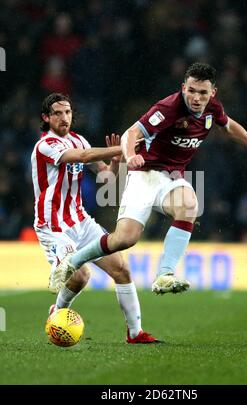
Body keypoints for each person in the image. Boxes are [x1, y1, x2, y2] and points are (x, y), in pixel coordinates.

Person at [53, 62, 247, 295]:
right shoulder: (168, 108)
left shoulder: (213, 108)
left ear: (212, 93)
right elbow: (130, 133)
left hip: (171, 177)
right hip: (144, 174)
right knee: (125, 239)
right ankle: (74, 261)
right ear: (183, 87)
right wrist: (131, 156)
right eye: (191, 91)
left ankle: (165, 274)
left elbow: (229, 127)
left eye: (202, 93)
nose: (196, 98)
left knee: (189, 204)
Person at [31, 92, 160, 343]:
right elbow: (83, 158)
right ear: (46, 118)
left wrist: (114, 163)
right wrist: (126, 146)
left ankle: (135, 333)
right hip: (54, 226)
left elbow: (105, 179)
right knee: (80, 276)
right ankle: (58, 311)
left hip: (80, 220)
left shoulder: (79, 140)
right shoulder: (46, 144)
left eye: (67, 112)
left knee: (121, 269)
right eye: (57, 113)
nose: (64, 117)